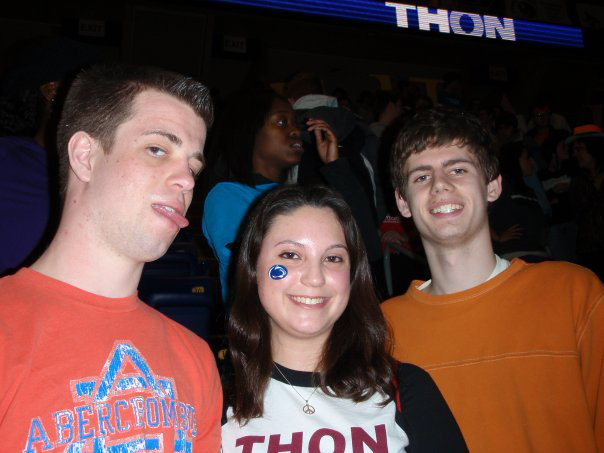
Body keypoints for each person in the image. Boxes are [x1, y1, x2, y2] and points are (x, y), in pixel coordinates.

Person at [0, 64, 222, 451]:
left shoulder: (196, 359)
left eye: (193, 166)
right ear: (85, 156)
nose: (187, 180)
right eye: (157, 149)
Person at [381, 107, 604, 452]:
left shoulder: (574, 293)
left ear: (493, 186)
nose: (440, 184)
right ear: (402, 202)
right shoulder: (382, 328)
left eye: (458, 169)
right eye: (421, 177)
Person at [221, 185, 467, 452]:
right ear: (254, 268)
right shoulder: (213, 396)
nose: (314, 278)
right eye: (290, 255)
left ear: (352, 276)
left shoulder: (405, 389)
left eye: (333, 258)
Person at [201, 88, 335, 304]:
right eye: (282, 123)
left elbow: (364, 248)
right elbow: (257, 271)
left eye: (295, 124)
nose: (295, 131)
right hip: (258, 329)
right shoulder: (226, 197)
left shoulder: (298, 195)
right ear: (250, 132)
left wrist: (337, 169)